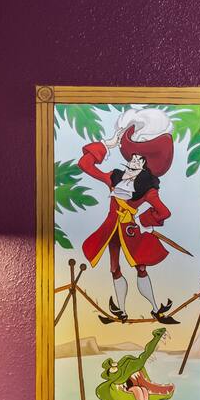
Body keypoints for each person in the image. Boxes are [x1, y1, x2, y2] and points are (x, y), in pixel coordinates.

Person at [79, 108, 180, 324]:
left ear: (145, 165)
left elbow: (164, 212)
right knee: (114, 269)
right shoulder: (114, 177)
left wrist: (144, 222)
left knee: (140, 268)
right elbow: (85, 165)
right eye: (133, 157)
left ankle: (155, 309)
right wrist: (107, 144)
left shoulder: (148, 189)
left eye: (139, 159)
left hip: (130, 231)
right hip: (111, 230)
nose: (134, 161)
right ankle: (122, 312)